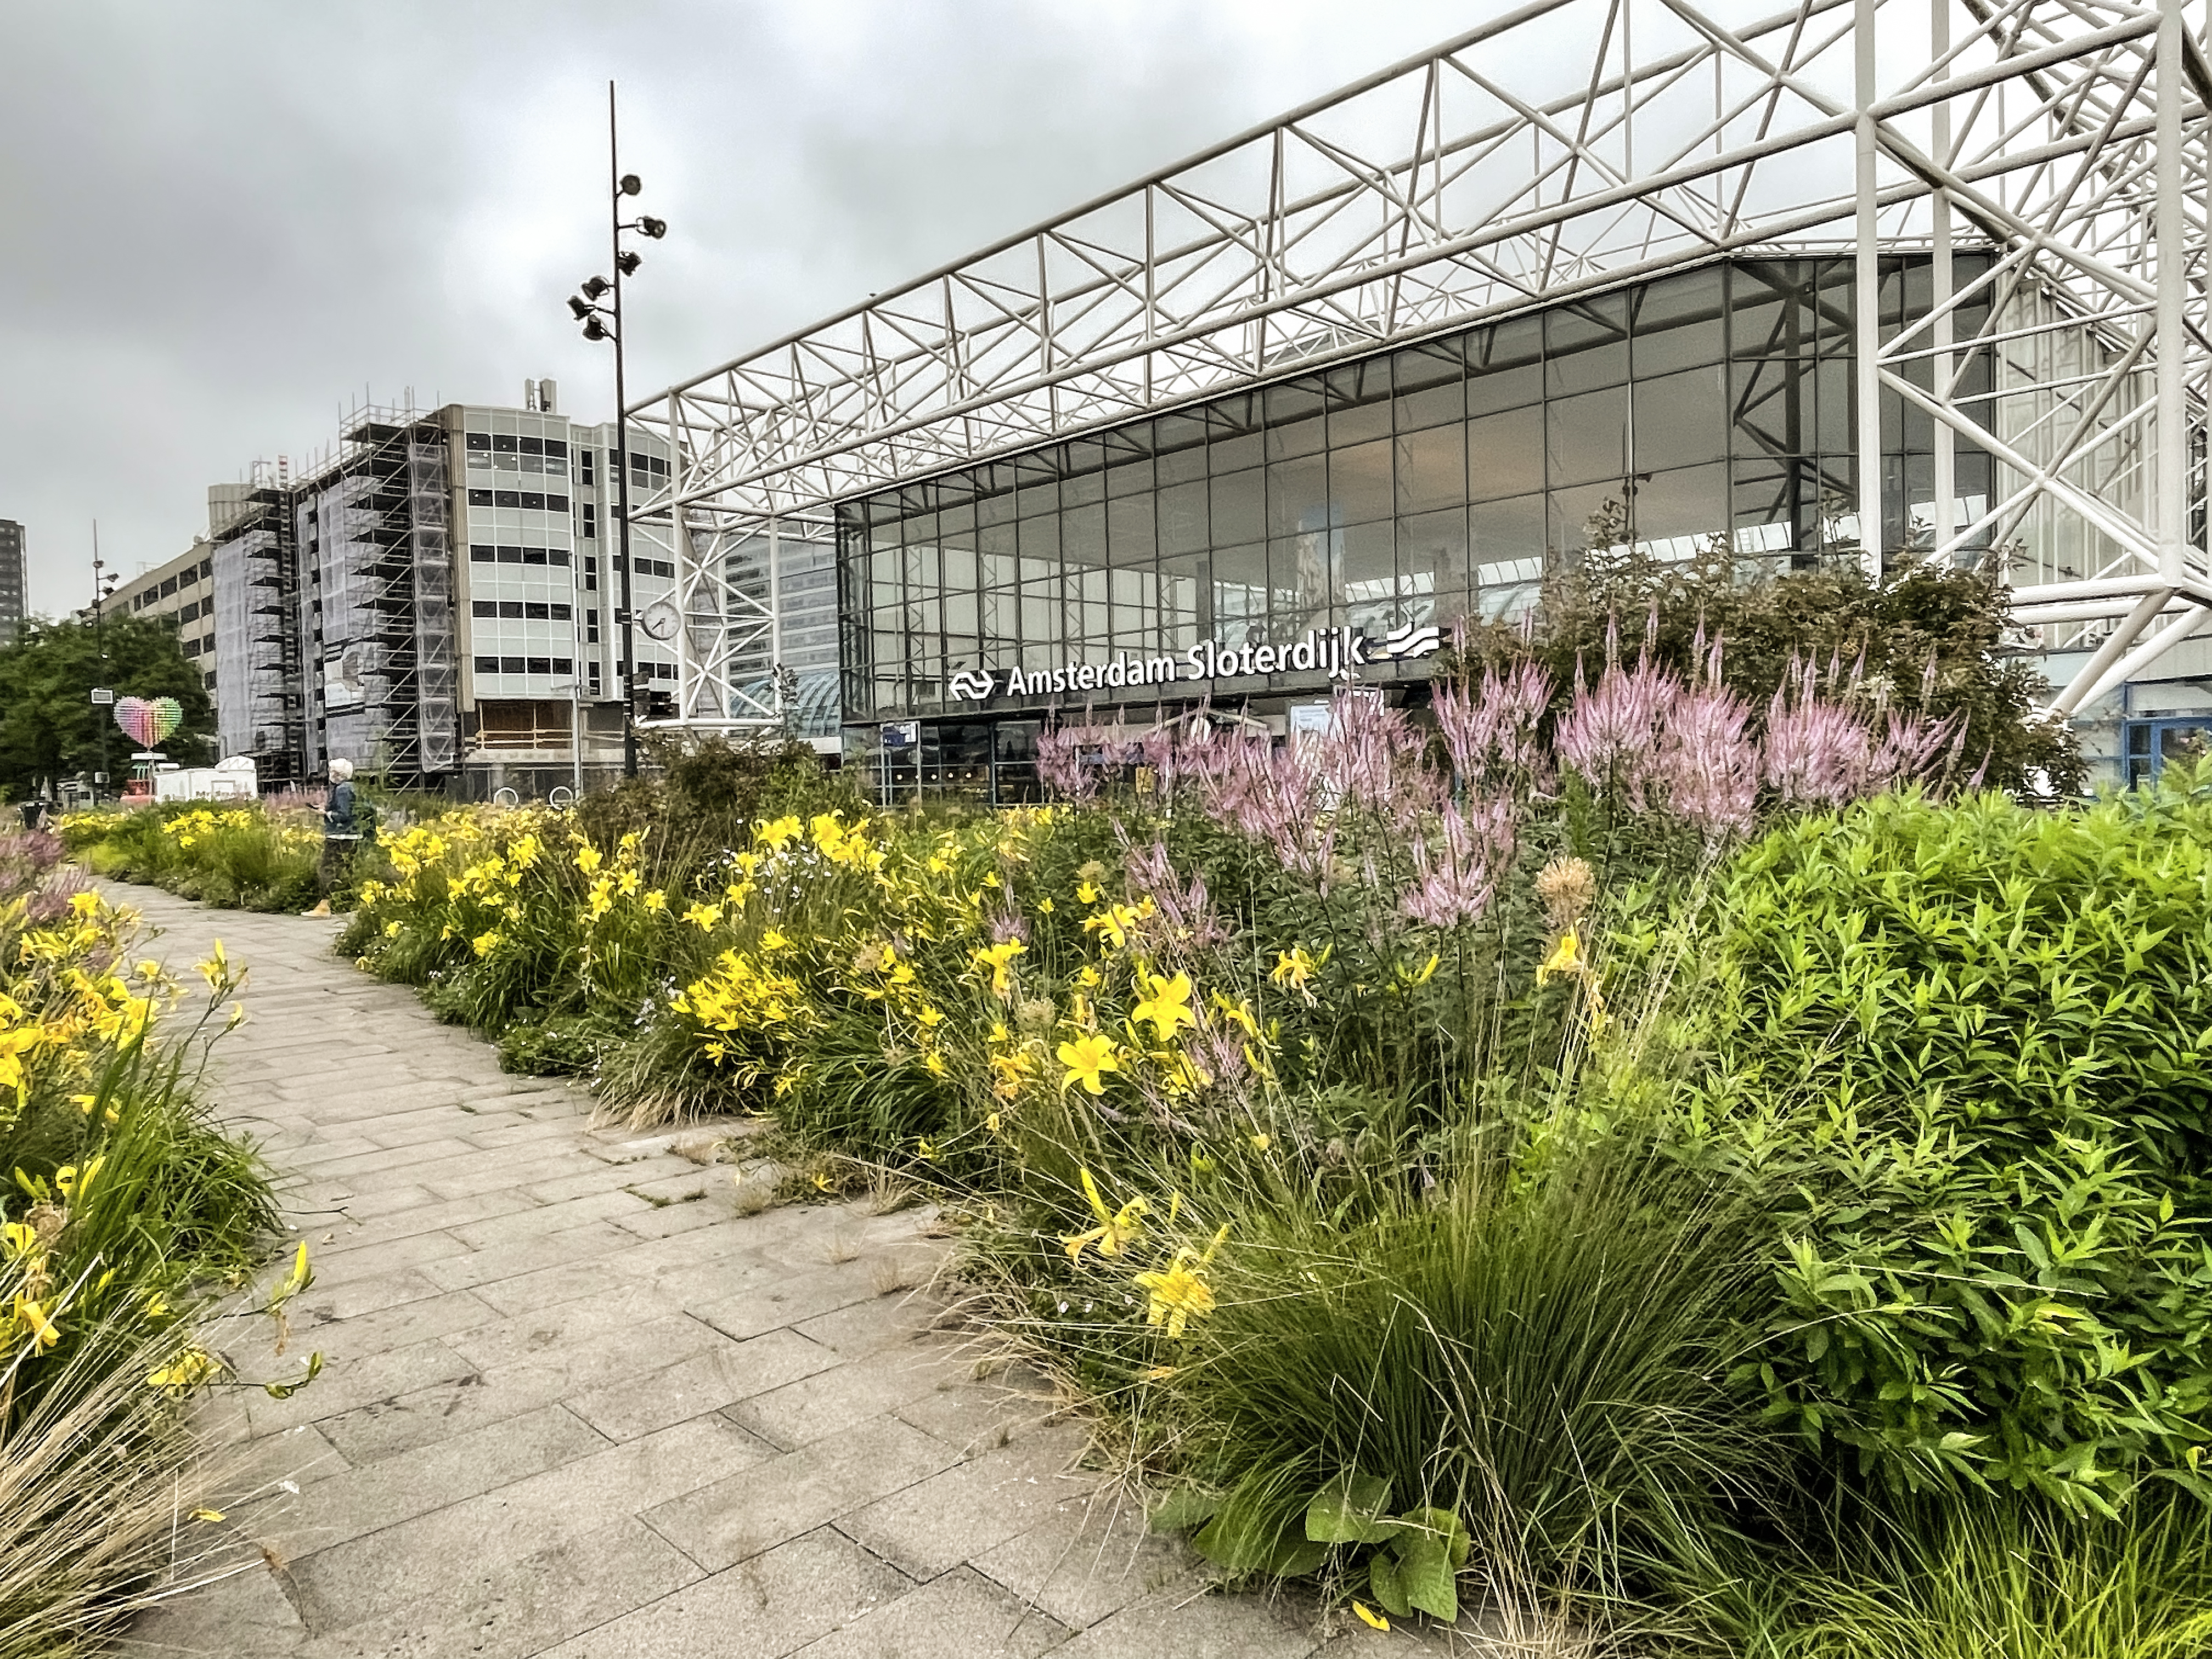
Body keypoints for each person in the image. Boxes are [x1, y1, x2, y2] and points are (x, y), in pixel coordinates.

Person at [304, 759, 362, 918]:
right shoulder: (349, 788)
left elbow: (344, 815)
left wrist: (325, 813)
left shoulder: (342, 789)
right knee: (346, 869)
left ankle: (325, 905)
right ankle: (347, 903)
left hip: (340, 836)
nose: (330, 774)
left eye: (331, 771)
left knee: (328, 868)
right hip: (351, 835)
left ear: (337, 773)